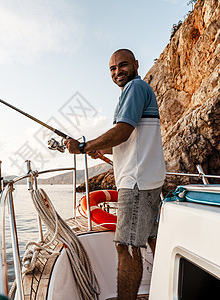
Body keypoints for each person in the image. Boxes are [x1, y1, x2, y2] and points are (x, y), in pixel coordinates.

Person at [65, 49, 165, 300]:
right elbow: (128, 138)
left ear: (135, 65)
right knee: (152, 240)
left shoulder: (134, 88)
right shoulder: (135, 92)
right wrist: (100, 148)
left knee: (127, 247)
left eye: (122, 65)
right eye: (112, 68)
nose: (117, 71)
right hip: (149, 180)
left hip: (137, 181)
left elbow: (123, 130)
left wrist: (83, 146)